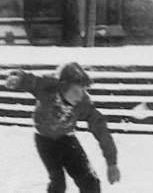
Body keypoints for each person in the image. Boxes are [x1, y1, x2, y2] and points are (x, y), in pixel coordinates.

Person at [4, 62, 120, 192]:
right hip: (45, 141)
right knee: (58, 183)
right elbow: (31, 81)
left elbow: (100, 129)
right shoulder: (48, 87)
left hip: (67, 140)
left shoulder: (83, 104)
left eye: (83, 91)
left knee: (90, 182)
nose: (80, 96)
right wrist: (17, 78)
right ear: (63, 87)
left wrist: (112, 162)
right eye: (76, 91)